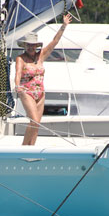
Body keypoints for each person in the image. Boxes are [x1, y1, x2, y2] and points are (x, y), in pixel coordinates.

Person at [15, 14, 72, 145]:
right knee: (34, 120)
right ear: (25, 46)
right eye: (28, 45)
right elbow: (18, 73)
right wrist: (17, 86)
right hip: (26, 92)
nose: (31, 48)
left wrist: (63, 26)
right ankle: (24, 148)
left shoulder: (41, 56)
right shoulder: (21, 58)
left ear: (36, 46)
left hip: (40, 93)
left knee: (37, 124)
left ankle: (31, 150)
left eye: (33, 45)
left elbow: (54, 42)